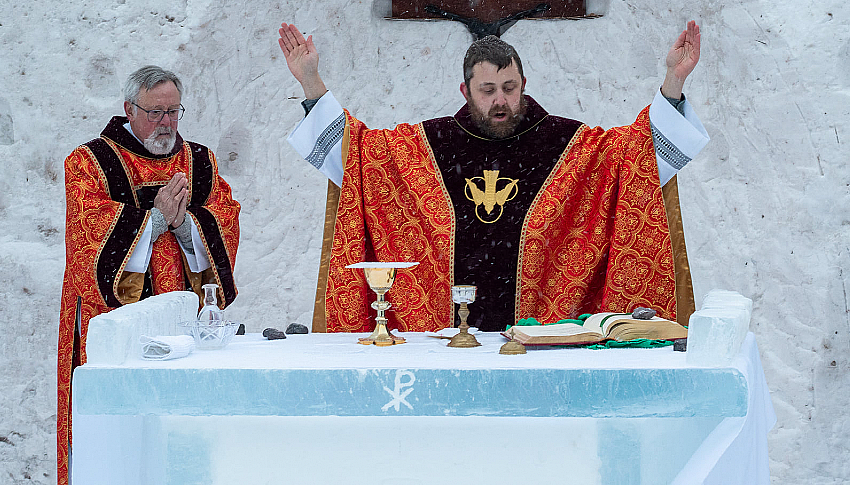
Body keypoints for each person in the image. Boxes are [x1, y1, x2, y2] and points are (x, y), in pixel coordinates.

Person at [280, 21, 708, 335]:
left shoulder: (567, 143)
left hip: (542, 335)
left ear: (524, 84)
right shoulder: (429, 144)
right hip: (443, 340)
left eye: (509, 86)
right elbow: (356, 155)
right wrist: (312, 82)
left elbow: (638, 158)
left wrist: (673, 81)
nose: (500, 100)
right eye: (487, 90)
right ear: (465, 92)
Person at [56, 65, 241, 485]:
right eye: (156, 112)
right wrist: (153, 221)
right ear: (128, 109)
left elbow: (226, 219)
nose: (167, 123)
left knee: (174, 441)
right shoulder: (89, 162)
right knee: (116, 444)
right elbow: (87, 238)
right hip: (112, 328)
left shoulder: (199, 160)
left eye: (174, 112)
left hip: (179, 327)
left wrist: (185, 226)